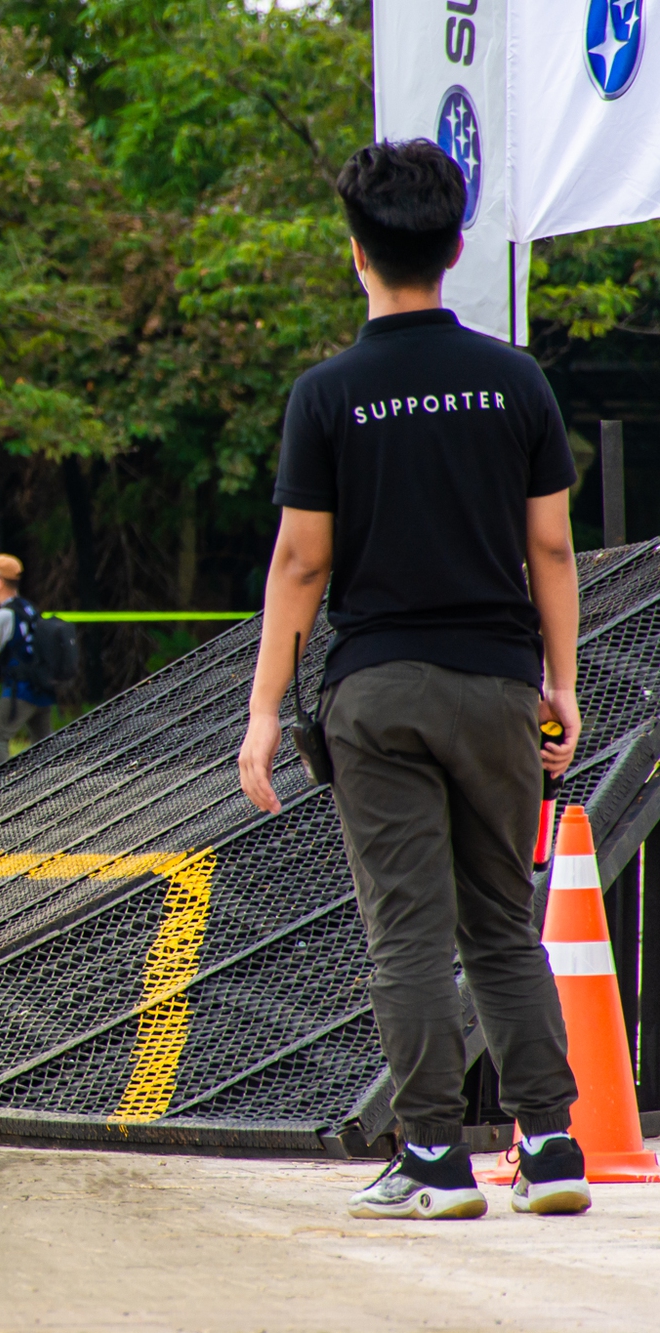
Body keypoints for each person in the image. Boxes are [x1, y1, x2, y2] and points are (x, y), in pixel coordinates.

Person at [236, 140, 586, 1221]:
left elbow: (300, 561)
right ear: (456, 248)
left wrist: (259, 713)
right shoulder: (514, 381)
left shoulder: (327, 393)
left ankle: (433, 1160)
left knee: (405, 933)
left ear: (355, 255)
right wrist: (558, 685)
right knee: (499, 923)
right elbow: (552, 551)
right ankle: (552, 1145)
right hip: (494, 688)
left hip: (376, 693)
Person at [0, 553, 55, 763]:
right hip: (42, 684)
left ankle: (3, 791)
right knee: (44, 743)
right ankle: (54, 786)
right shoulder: (27, 608)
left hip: (20, 689)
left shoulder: (3, 614)